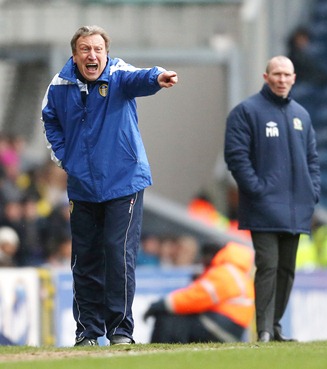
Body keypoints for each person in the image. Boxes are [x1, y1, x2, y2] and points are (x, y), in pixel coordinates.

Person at [41, 25, 178, 347]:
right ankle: (87, 332)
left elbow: (140, 77)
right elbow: (49, 121)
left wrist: (158, 77)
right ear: (74, 55)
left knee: (118, 254)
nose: (93, 55)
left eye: (98, 49)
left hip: (123, 181)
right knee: (85, 259)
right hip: (82, 185)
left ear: (106, 53)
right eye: (86, 49)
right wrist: (67, 159)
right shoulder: (59, 86)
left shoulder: (118, 74)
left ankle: (120, 331)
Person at [224, 56, 320, 342]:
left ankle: (275, 327)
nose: (281, 79)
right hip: (263, 207)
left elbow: (312, 158)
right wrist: (257, 189)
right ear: (266, 77)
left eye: (286, 75)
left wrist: (311, 190)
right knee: (268, 264)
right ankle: (263, 330)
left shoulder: (302, 115)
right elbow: (236, 156)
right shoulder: (247, 111)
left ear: (294, 78)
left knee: (287, 270)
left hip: (297, 207)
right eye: (276, 74)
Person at [143, 242, 255, 343]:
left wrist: (164, 304)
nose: (202, 260)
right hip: (233, 329)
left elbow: (196, 298)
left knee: (169, 319)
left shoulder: (224, 272)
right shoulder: (236, 273)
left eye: (205, 256)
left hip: (222, 326)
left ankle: (162, 354)